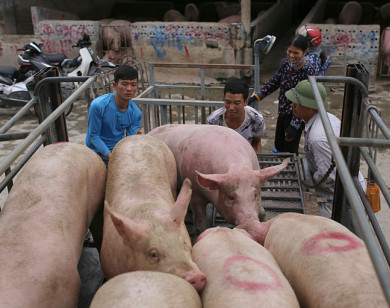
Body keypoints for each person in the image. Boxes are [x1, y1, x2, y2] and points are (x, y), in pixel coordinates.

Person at [286, 79, 365, 218]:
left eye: (297, 102)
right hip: (344, 188)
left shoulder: (318, 137)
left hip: (338, 199)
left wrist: (308, 182)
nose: (293, 105)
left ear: (310, 106)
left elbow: (328, 176)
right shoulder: (326, 118)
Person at [248, 34, 315, 155]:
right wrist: (257, 96)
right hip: (283, 112)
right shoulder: (286, 64)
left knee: (289, 149)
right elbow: (274, 82)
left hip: (296, 115)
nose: (292, 56)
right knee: (279, 144)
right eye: (289, 51)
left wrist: (294, 125)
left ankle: (290, 172)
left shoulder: (308, 71)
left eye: (296, 53)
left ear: (305, 52)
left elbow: (304, 100)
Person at [85, 64, 142, 166]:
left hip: (117, 150)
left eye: (133, 85)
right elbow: (93, 136)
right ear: (115, 85)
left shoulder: (136, 113)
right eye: (124, 84)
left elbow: (129, 140)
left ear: (136, 87)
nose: (129, 89)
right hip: (96, 151)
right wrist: (111, 156)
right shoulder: (98, 105)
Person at [207, 79, 266, 153]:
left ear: (246, 102)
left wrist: (255, 162)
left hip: (246, 156)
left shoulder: (257, 119)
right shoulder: (214, 120)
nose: (231, 108)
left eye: (237, 103)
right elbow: (211, 146)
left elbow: (256, 143)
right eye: (228, 102)